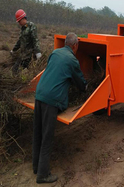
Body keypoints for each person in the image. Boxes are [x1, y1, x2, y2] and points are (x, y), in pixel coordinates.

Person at [33, 32, 87, 184]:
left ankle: (36, 167)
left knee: (37, 132)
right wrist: (86, 87)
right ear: (75, 45)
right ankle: (43, 175)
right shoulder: (72, 60)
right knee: (47, 137)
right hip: (52, 100)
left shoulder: (55, 53)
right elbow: (80, 83)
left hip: (39, 94)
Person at [11, 9, 41, 73]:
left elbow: (35, 39)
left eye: (19, 21)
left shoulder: (31, 26)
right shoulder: (23, 28)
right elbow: (20, 41)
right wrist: (13, 50)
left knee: (23, 72)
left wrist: (38, 52)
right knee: (14, 70)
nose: (19, 23)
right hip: (22, 55)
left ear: (23, 19)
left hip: (29, 56)